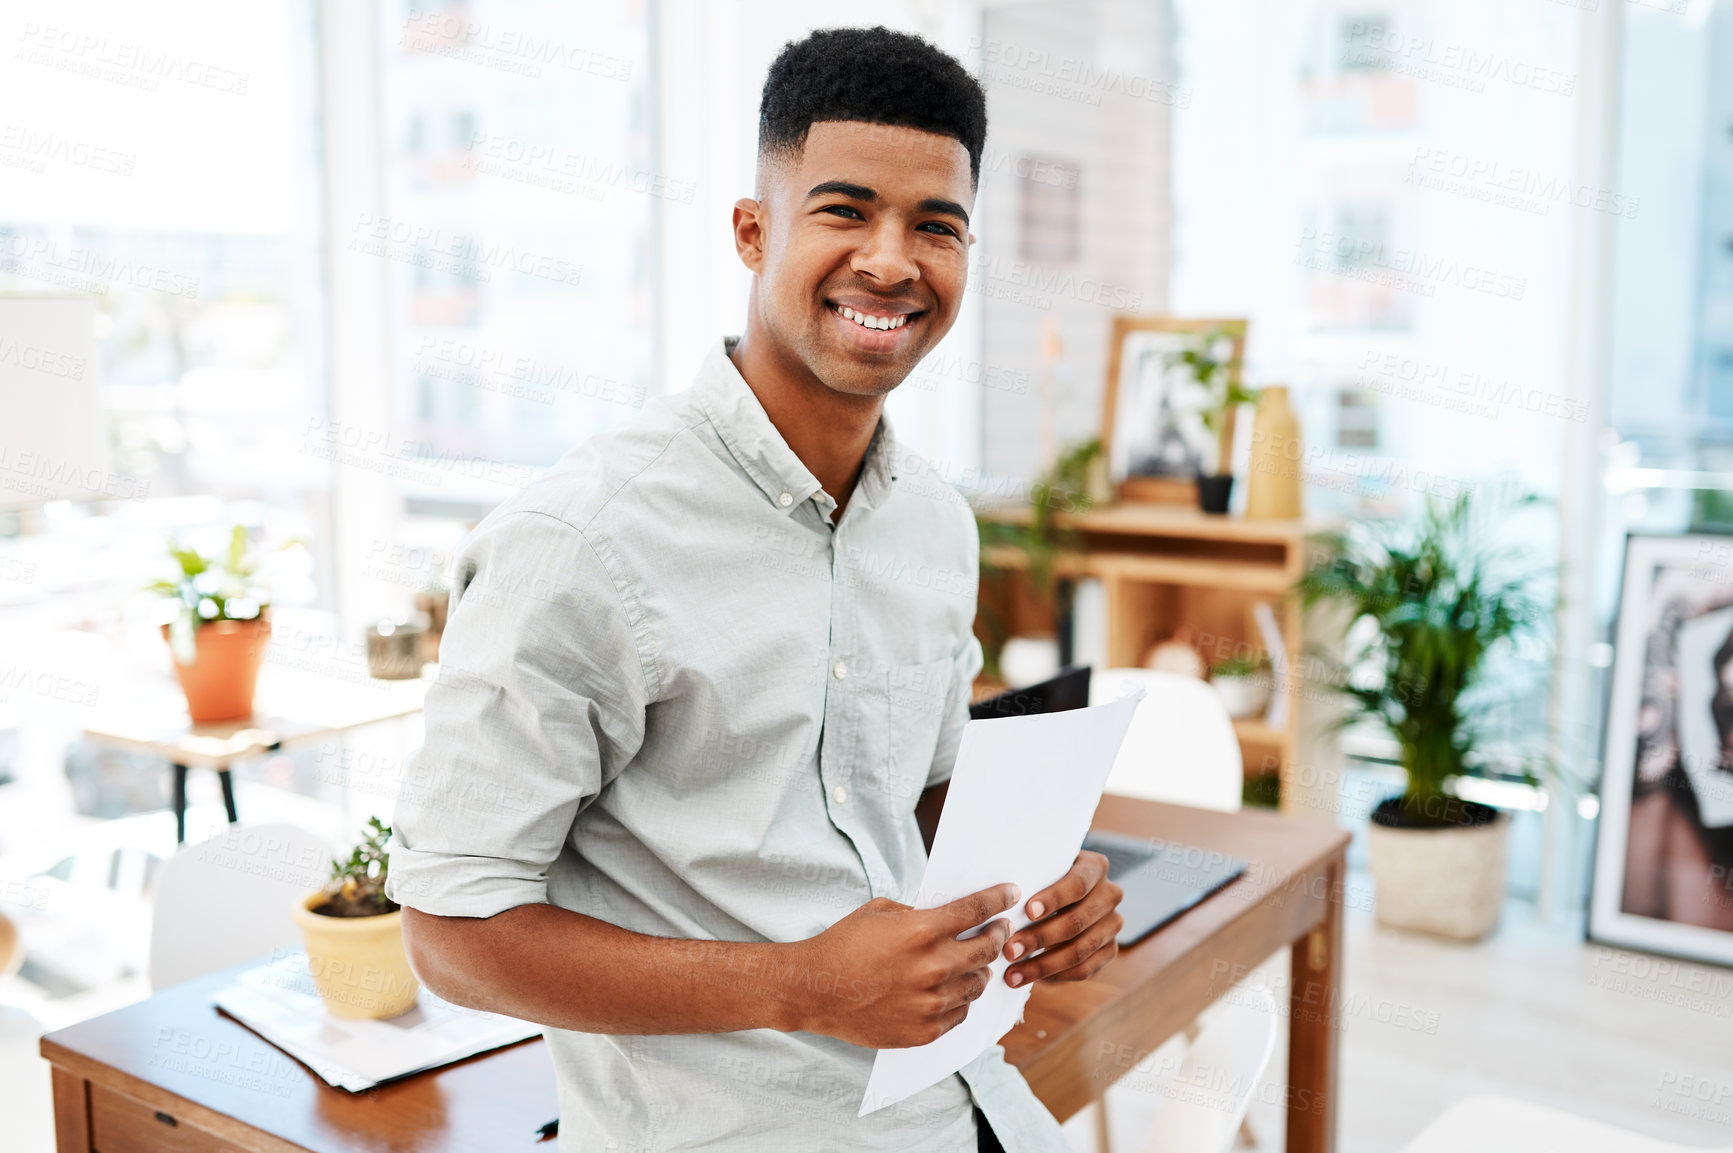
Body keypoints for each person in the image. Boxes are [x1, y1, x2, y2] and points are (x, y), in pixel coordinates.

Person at [386, 26, 1124, 1152]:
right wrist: (799, 986)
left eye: (936, 226)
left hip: (963, 1102)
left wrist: (1037, 888)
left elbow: (920, 795)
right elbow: (448, 932)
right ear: (750, 231)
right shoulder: (578, 539)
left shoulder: (932, 520)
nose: (891, 260)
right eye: (843, 210)